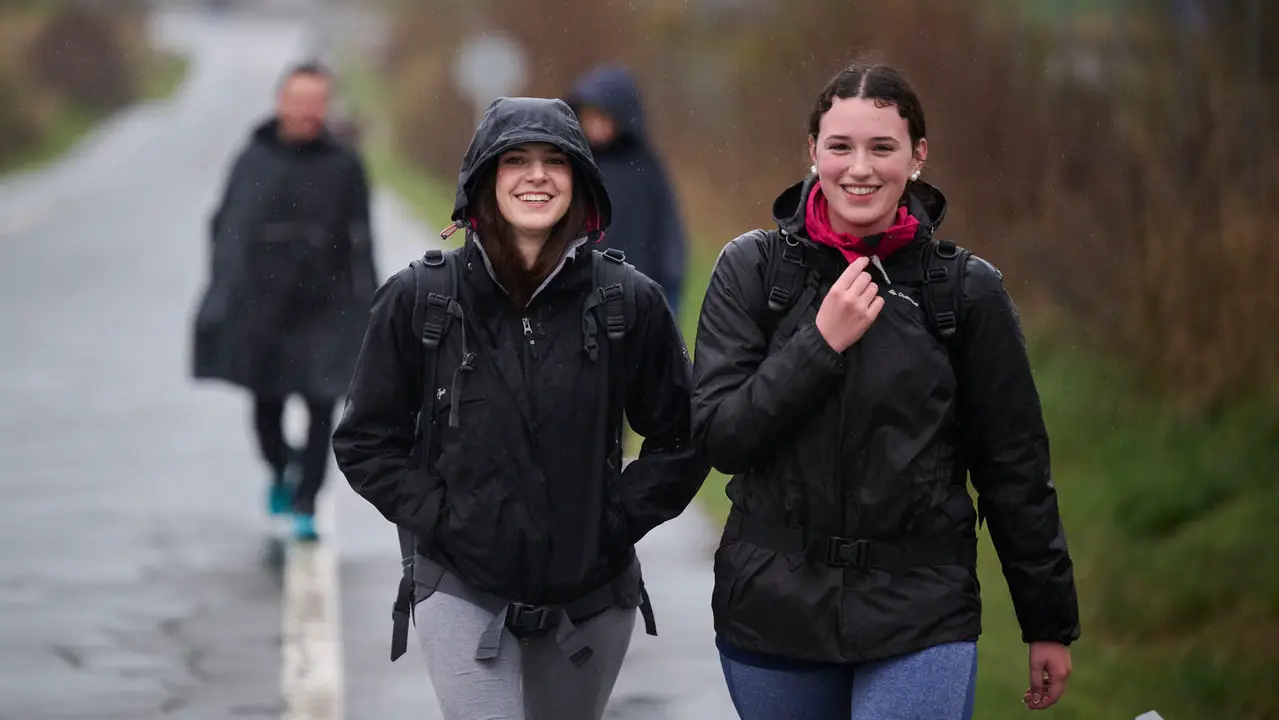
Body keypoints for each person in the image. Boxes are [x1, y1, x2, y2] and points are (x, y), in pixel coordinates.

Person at [690, 61, 1081, 719]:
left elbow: (1013, 467)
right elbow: (722, 436)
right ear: (812, 152)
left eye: (882, 147)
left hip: (919, 608)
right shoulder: (751, 272)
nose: (859, 168)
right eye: (840, 146)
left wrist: (1046, 619)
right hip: (772, 607)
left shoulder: (965, 292)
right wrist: (818, 344)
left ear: (917, 156)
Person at [331, 96, 708, 720]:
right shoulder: (419, 299)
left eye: (555, 161)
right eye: (517, 160)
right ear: (485, 179)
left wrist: (611, 521)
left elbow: (684, 436)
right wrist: (447, 520)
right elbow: (365, 442)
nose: (537, 175)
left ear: (580, 183)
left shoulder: (627, 302)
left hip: (590, 600)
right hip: (461, 586)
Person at [192, 61, 376, 541]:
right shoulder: (252, 158)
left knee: (322, 406)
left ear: (326, 107)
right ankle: (279, 466)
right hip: (261, 305)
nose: (306, 111)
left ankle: (306, 501)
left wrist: (370, 305)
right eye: (298, 99)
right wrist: (221, 293)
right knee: (266, 404)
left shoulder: (345, 164)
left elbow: (362, 240)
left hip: (324, 306)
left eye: (316, 101)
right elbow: (226, 229)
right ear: (280, 102)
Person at [567, 65, 687, 317]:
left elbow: (667, 236)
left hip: (634, 297)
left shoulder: (644, 169)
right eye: (590, 116)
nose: (596, 125)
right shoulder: (570, 165)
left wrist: (668, 298)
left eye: (604, 117)